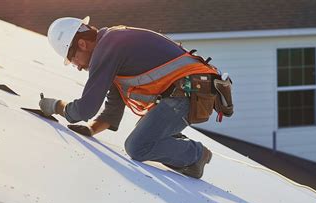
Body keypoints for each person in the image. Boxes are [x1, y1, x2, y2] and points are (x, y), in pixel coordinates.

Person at [39, 16, 225, 179]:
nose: (77, 66)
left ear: (82, 44)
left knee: (137, 146)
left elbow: (86, 108)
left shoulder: (108, 47)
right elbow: (115, 101)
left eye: (72, 58)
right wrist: (90, 129)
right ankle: (184, 152)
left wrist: (56, 106)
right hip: (186, 94)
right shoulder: (111, 43)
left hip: (188, 94)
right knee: (144, 136)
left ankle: (197, 154)